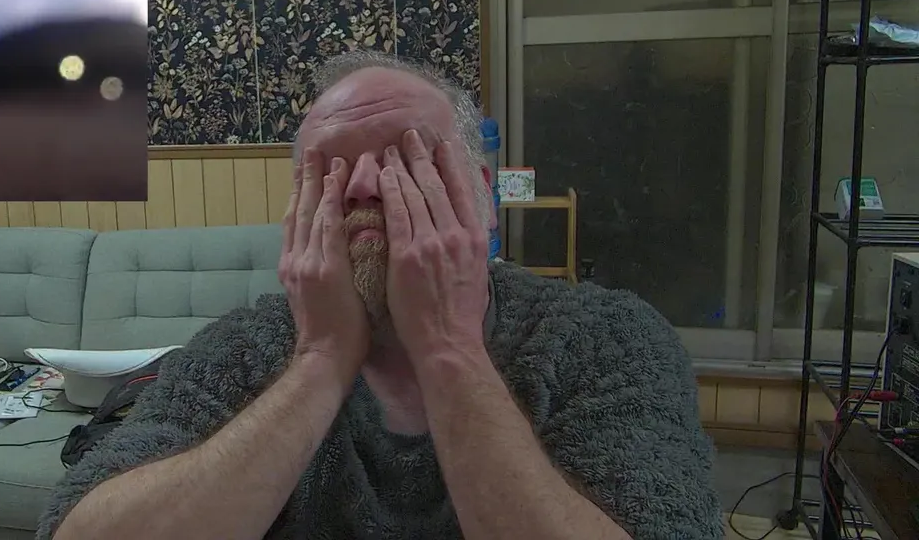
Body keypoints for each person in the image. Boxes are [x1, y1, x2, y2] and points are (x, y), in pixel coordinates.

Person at [38, 51, 722, 540]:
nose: (364, 184)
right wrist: (321, 359)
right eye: (330, 169)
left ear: (483, 197)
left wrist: (448, 346)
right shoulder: (245, 347)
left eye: (406, 158)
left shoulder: (606, 338)